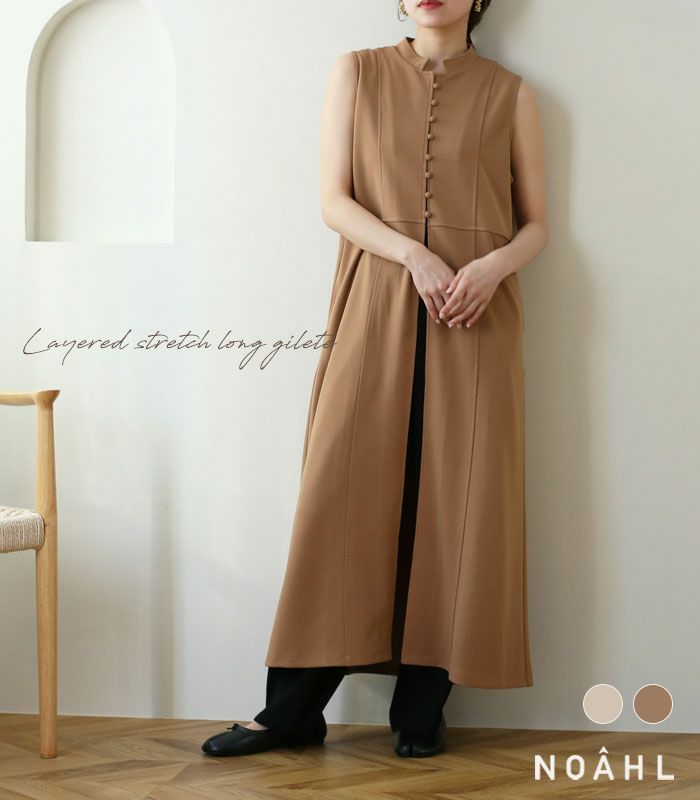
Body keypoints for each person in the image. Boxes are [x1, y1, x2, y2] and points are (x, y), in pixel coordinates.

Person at [203, 0, 547, 759]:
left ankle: (421, 711)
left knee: (457, 501)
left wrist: (492, 266)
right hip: (376, 297)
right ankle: (291, 712)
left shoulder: (512, 92)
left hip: (475, 313)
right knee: (342, 491)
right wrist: (413, 254)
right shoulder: (355, 73)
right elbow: (334, 201)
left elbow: (538, 224)